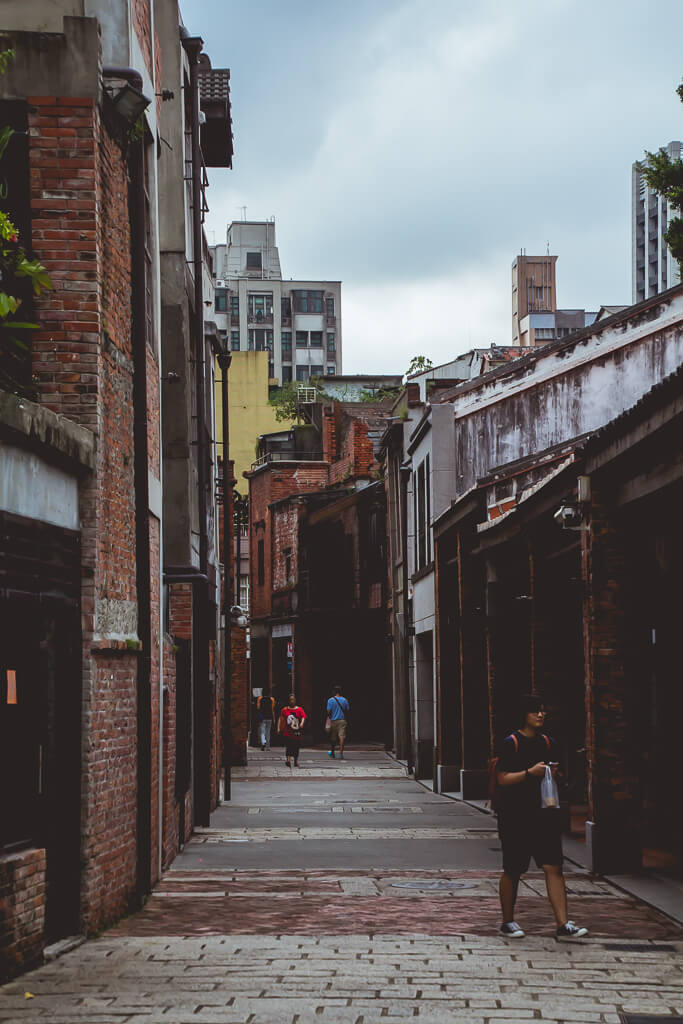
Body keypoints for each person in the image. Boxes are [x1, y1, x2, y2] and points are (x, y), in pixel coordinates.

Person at [495, 693, 588, 940]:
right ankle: (507, 921)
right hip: (515, 816)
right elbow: (502, 779)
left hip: (544, 815)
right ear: (523, 715)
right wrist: (529, 772)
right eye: (535, 711)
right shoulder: (510, 742)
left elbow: (559, 777)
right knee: (513, 869)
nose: (540, 715)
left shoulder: (549, 742)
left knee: (554, 866)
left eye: (543, 711)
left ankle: (563, 923)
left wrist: (554, 774)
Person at [277, 693, 306, 767]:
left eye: (293, 700)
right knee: (288, 746)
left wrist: (302, 723)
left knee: (296, 747)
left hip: (296, 732)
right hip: (288, 732)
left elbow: (303, 717)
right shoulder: (284, 710)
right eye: (290, 700)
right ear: (288, 701)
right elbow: (280, 719)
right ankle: (288, 760)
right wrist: (278, 728)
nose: (292, 701)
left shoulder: (299, 709)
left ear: (295, 700)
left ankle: (296, 761)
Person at [326, 685, 350, 759]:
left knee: (333, 738)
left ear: (334, 692)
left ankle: (332, 753)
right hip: (342, 721)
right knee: (342, 737)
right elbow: (347, 709)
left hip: (333, 721)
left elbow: (328, 711)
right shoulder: (344, 700)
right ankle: (340, 754)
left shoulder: (330, 700)